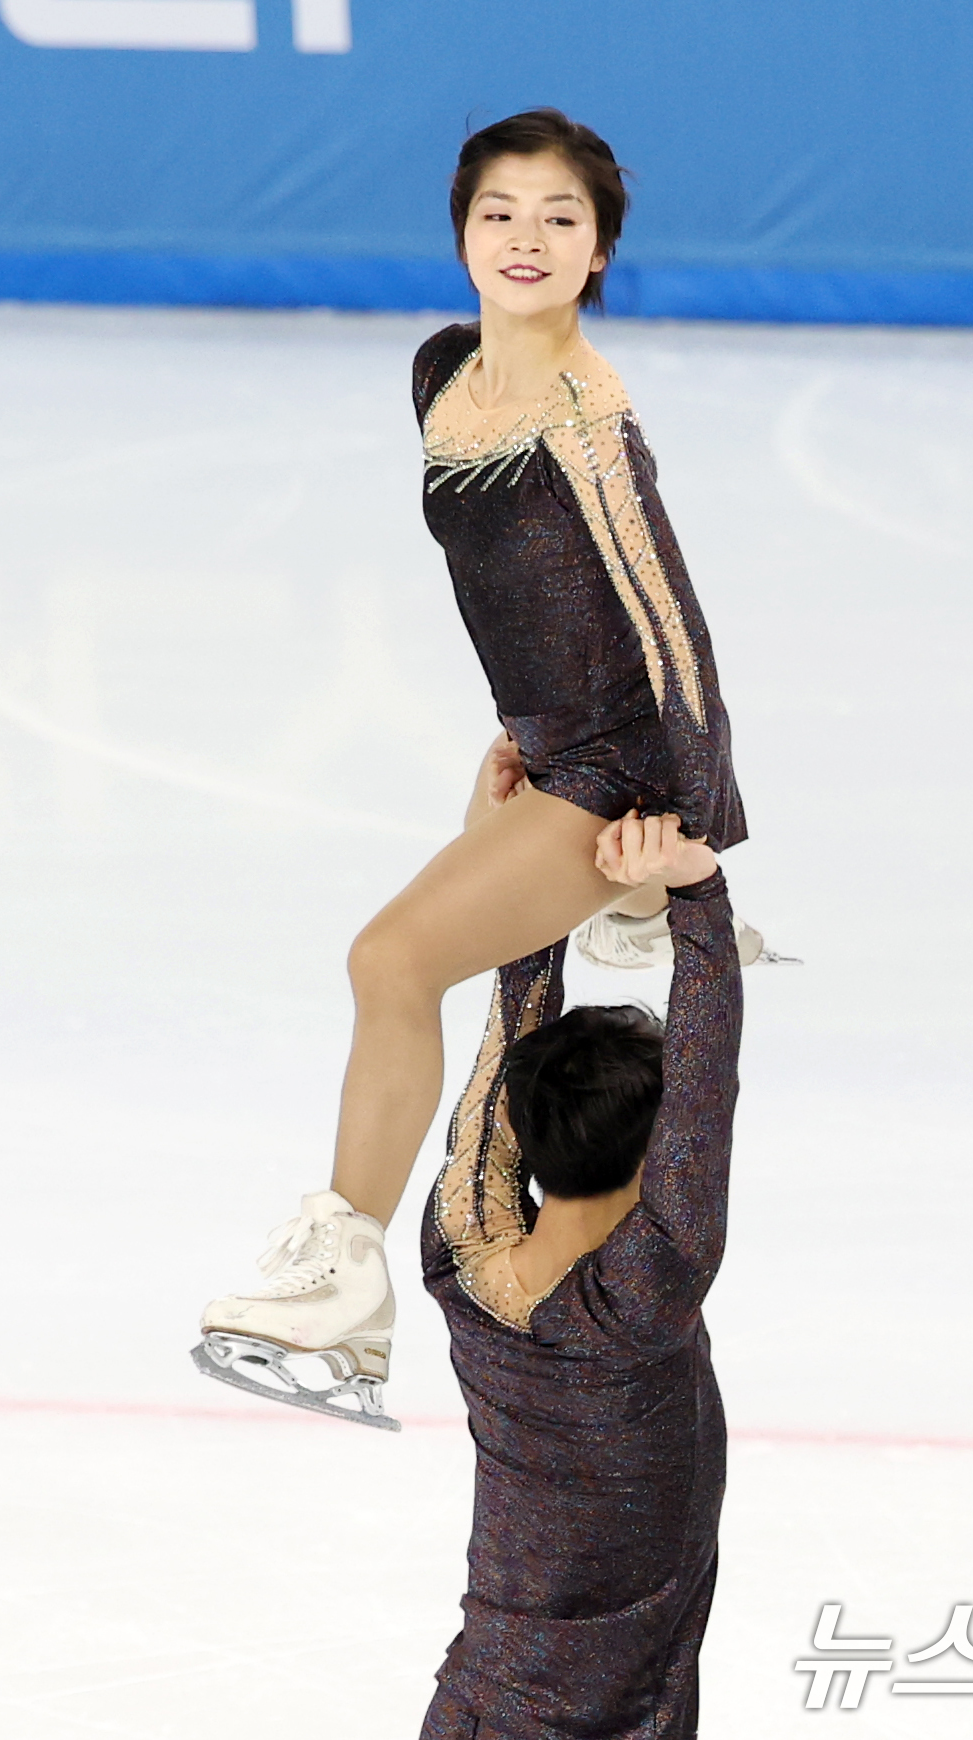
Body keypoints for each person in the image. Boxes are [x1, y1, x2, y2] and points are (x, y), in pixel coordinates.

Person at [195, 108, 747, 1421]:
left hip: (615, 772)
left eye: (560, 218)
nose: (526, 239)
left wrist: (690, 838)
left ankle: (342, 1283)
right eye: (500, 213)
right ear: (459, 233)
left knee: (389, 962)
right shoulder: (441, 371)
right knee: (454, 986)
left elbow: (673, 636)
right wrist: (526, 716)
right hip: (547, 750)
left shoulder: (590, 422)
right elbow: (521, 587)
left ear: (599, 247)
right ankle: (362, 1297)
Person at [421, 809, 742, 1739]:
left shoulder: (461, 1261)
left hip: (476, 1705)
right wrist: (696, 892)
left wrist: (518, 842)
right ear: (658, 1158)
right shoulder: (639, 1301)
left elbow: (506, 1048)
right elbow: (702, 1087)